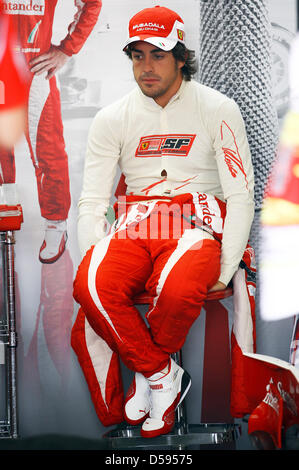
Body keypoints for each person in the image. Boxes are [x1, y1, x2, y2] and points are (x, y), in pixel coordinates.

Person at [72, 5, 255, 438]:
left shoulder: (218, 108)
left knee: (175, 289)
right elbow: (92, 202)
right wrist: (92, 257)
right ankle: (160, 374)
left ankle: (147, 374)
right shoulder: (111, 117)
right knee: (89, 286)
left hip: (199, 224)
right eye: (138, 55)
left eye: (157, 54)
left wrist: (226, 270)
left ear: (180, 57)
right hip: (137, 224)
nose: (146, 66)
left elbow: (240, 195)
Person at [0, 0, 102, 263]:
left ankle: (56, 224)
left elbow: (91, 3)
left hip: (36, 72)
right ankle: (4, 208)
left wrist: (67, 49)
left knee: (49, 152)